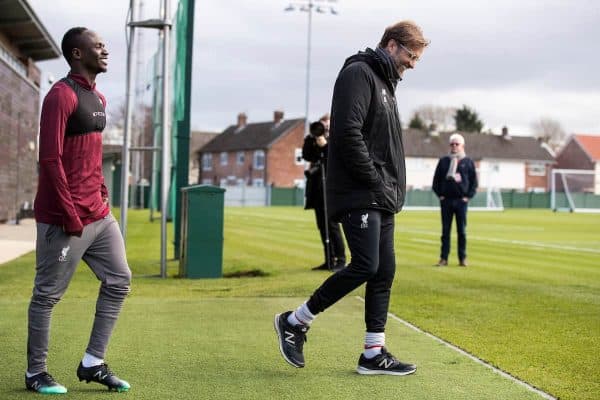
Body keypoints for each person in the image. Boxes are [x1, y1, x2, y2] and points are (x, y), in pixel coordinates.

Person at [274, 20, 429, 375]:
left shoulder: (386, 83)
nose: (413, 64)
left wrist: (388, 186)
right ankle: (295, 321)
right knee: (365, 264)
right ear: (392, 45)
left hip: (380, 195)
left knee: (384, 270)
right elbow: (348, 134)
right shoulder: (359, 73)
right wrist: (375, 180)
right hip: (361, 191)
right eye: (410, 55)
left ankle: (373, 353)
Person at [25, 27, 131, 394]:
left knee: (120, 280)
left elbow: (92, 155)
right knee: (47, 295)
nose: (105, 50)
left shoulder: (98, 97)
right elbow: (49, 159)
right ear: (76, 53)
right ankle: (35, 373)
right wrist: (70, 214)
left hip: (99, 215)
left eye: (104, 45)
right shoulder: (60, 96)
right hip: (64, 220)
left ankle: (93, 363)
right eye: (97, 46)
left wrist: (102, 193)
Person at [302, 113, 346, 271]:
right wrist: (313, 137)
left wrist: (325, 144)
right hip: (317, 189)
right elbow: (306, 155)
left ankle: (340, 260)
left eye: (326, 126)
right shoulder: (313, 139)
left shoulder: (336, 139)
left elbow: (333, 159)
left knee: (332, 225)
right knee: (322, 225)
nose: (323, 129)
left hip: (331, 188)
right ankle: (328, 259)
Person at [432, 133, 478, 267]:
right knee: (445, 231)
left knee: (461, 231)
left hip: (461, 202)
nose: (454, 146)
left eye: (457, 144)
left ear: (462, 146)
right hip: (446, 201)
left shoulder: (468, 162)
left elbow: (474, 183)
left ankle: (462, 258)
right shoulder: (444, 161)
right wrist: (440, 195)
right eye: (452, 144)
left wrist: (467, 197)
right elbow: (436, 181)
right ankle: (443, 259)